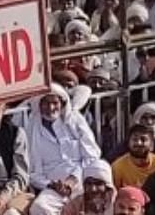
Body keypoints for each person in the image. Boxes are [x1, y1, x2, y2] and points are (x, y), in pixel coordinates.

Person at [27, 85, 102, 215]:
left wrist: (73, 179)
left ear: (62, 103)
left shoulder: (75, 120)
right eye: (46, 103)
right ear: (39, 105)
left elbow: (92, 155)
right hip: (53, 188)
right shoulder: (32, 129)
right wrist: (52, 185)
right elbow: (33, 173)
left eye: (54, 103)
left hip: (83, 179)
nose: (51, 108)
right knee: (39, 208)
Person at [113, 124, 155, 188]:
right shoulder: (117, 167)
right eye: (135, 139)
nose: (138, 143)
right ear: (128, 143)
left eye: (143, 139)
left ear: (152, 145)